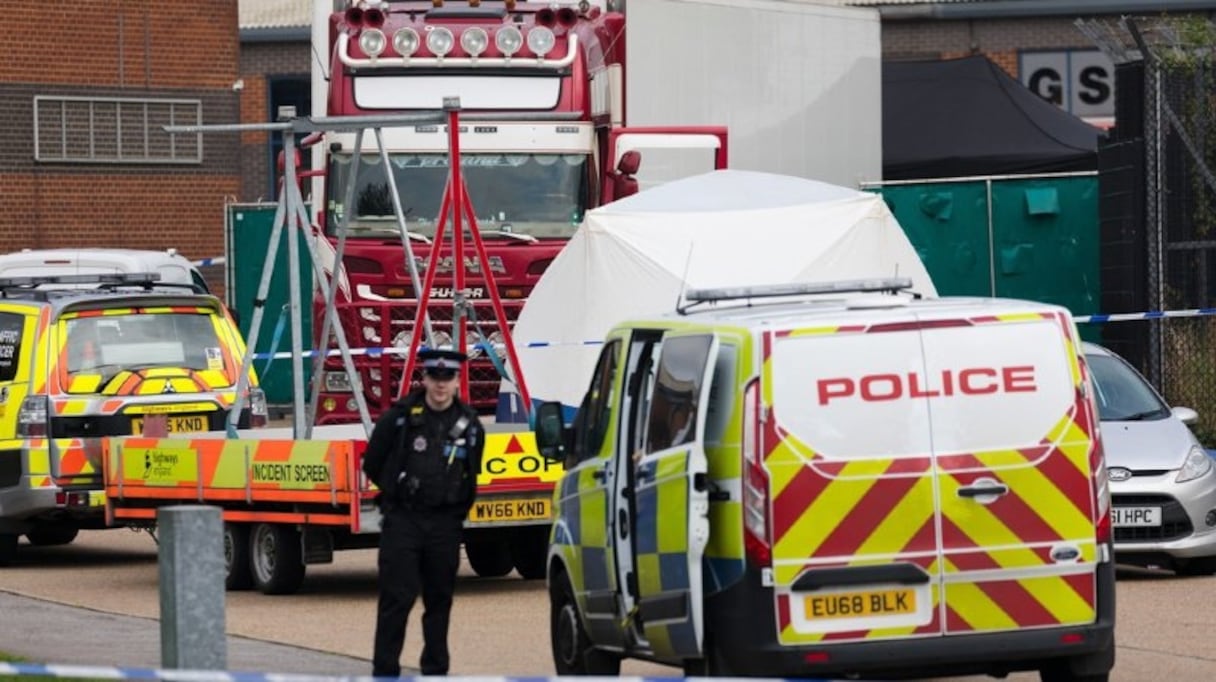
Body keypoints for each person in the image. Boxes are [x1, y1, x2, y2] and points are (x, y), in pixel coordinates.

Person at [362, 348, 484, 677]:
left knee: (439, 601)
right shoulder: (400, 418)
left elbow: (472, 473)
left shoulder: (470, 425)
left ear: (458, 380)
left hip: (445, 524)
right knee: (396, 600)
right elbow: (372, 461)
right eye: (435, 377)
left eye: (448, 378)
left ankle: (436, 671)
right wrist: (396, 488)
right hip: (404, 520)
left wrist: (456, 513)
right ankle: (385, 672)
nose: (440, 385)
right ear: (425, 378)